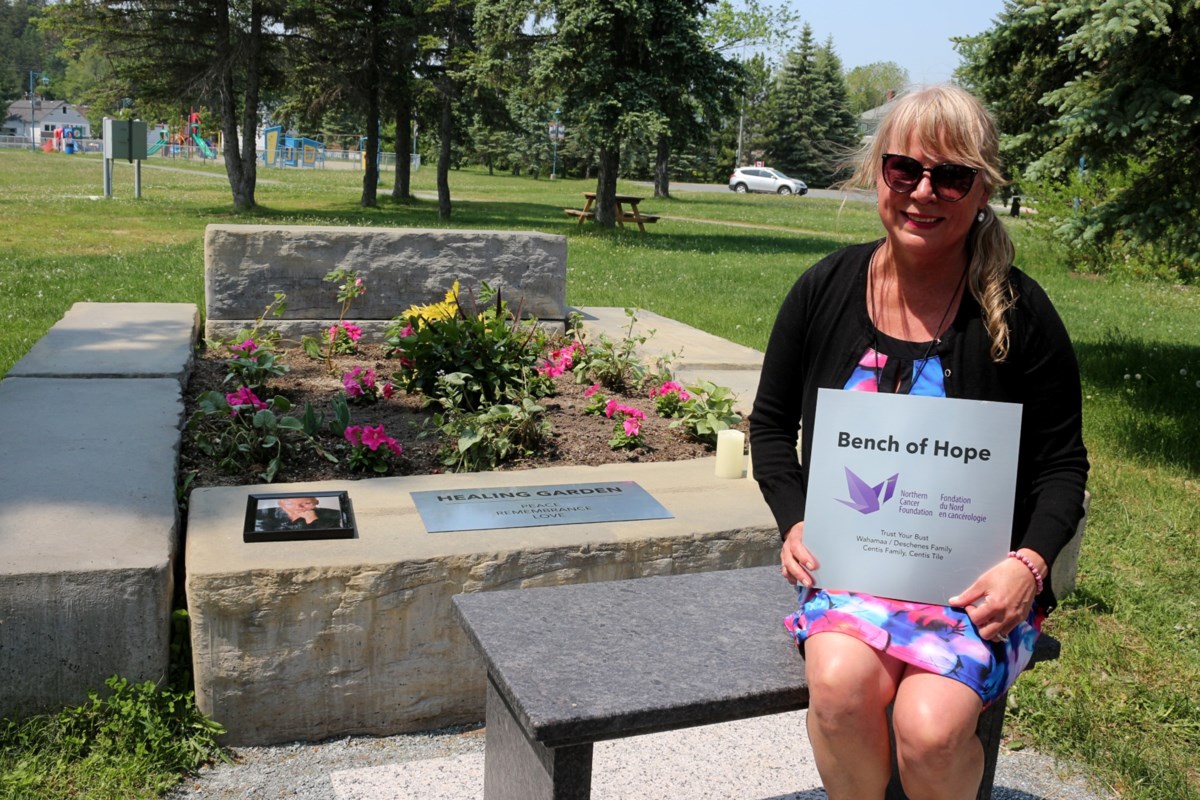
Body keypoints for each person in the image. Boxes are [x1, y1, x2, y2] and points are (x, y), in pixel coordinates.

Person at [749, 85, 1089, 800]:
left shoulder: (1020, 313)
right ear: (878, 173)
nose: (923, 193)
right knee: (840, 690)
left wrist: (1029, 567)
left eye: (951, 176)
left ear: (982, 189)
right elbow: (772, 428)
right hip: (852, 571)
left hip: (978, 586)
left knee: (930, 729)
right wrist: (794, 521)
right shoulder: (825, 289)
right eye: (904, 170)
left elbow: (1063, 465)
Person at [255, 496, 343, 532]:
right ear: (280, 504)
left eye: (307, 503)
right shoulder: (264, 514)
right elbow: (261, 532)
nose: (298, 507)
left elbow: (331, 534)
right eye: (290, 504)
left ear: (316, 502)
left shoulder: (332, 514)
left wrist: (313, 521)